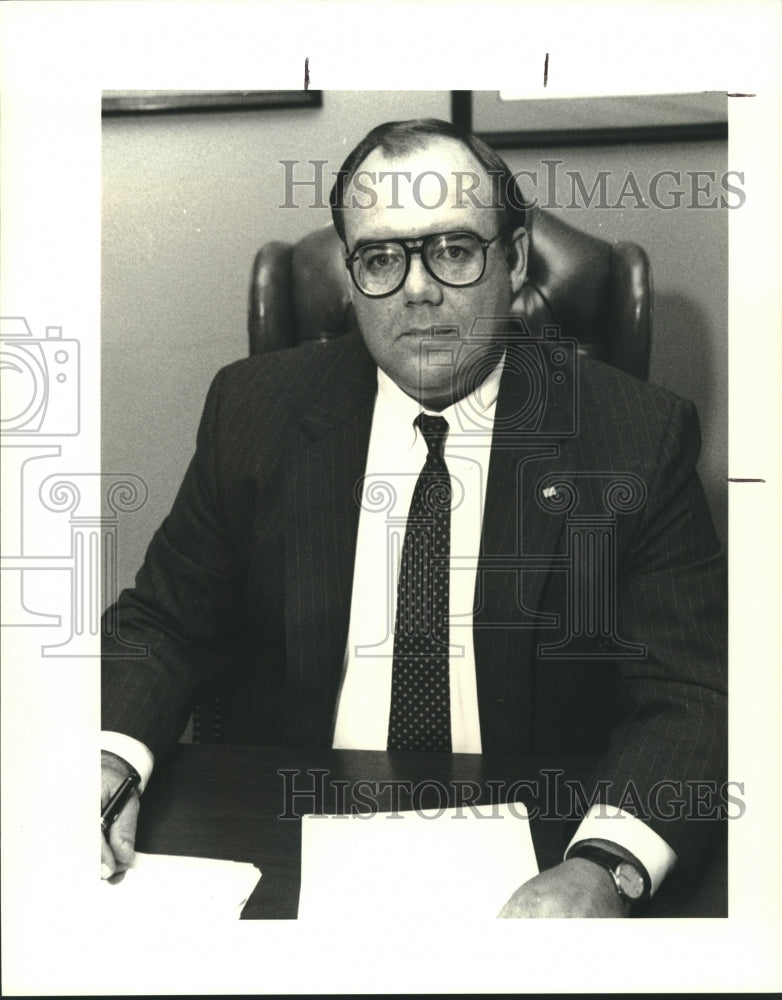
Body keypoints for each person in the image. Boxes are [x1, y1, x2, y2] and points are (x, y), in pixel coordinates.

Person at [101, 118, 727, 917]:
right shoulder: (251, 408)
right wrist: (106, 760)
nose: (418, 289)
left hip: (542, 847)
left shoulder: (634, 435)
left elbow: (695, 691)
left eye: (454, 250)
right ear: (352, 275)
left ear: (515, 257)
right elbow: (163, 622)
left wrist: (606, 866)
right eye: (381, 257)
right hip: (281, 827)